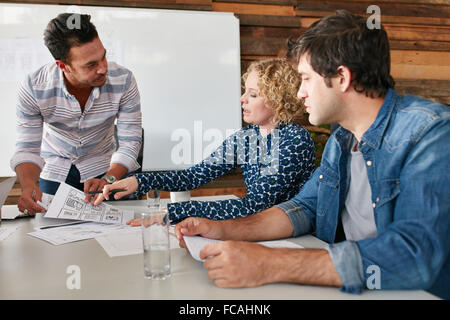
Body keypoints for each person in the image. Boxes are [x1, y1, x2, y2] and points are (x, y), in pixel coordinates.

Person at [173, 10, 450, 299]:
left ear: (341, 77)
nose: (300, 93)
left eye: (305, 79)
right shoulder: (341, 139)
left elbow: (414, 253)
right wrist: (225, 230)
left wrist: (269, 263)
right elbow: (303, 209)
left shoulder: (430, 133)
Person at [95, 58, 316, 223]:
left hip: (293, 233)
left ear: (278, 100)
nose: (242, 99)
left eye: (253, 94)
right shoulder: (246, 138)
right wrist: (140, 182)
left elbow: (254, 205)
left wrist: (175, 212)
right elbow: (193, 176)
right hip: (256, 228)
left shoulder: (294, 139)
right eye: (244, 92)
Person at [10, 13, 142, 215]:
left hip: (107, 167)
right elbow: (28, 148)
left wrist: (109, 178)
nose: (103, 68)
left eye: (103, 57)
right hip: (55, 169)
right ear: (63, 66)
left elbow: (130, 142)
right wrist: (28, 185)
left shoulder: (124, 80)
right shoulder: (34, 87)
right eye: (91, 65)